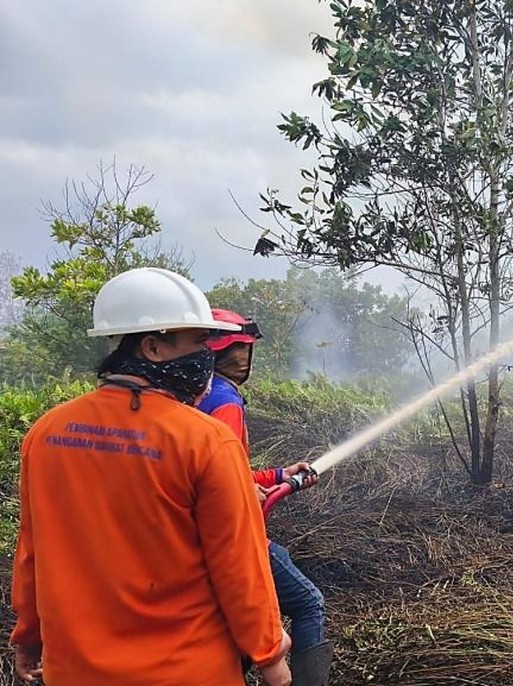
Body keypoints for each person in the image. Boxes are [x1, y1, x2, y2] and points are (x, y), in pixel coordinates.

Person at [10, 267, 291, 686]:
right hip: (187, 672)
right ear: (153, 347)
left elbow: (32, 551)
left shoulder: (47, 432)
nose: (207, 355)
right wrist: (270, 657)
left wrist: (28, 637)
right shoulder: (206, 440)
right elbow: (239, 567)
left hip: (76, 672)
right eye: (199, 342)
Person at [198, 308, 333, 686]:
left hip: (200, 539)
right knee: (308, 603)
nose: (242, 359)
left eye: (245, 350)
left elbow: (221, 468)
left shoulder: (192, 396)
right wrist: (244, 490)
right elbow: (221, 477)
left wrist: (277, 476)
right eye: (236, 351)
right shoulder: (225, 401)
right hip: (234, 538)